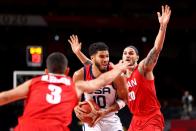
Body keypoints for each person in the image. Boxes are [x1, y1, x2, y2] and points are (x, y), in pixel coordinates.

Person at [68, 4, 171, 131]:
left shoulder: (142, 69)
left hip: (151, 117)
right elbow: (94, 65)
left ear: (137, 57)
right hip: (136, 118)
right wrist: (78, 53)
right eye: (125, 53)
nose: (127, 55)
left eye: (131, 53)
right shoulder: (118, 74)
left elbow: (156, 50)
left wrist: (163, 26)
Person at [0, 52, 129, 131]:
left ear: (46, 71)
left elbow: (4, 97)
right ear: (67, 71)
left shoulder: (34, 82)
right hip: (55, 128)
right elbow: (100, 81)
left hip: (27, 128)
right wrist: (119, 68)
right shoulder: (74, 86)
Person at [68, 37, 128, 131]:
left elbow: (124, 100)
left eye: (107, 56)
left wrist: (106, 111)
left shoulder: (117, 74)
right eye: (101, 56)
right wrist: (76, 108)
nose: (105, 59)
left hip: (111, 119)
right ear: (92, 58)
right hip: (91, 119)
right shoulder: (80, 74)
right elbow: (75, 101)